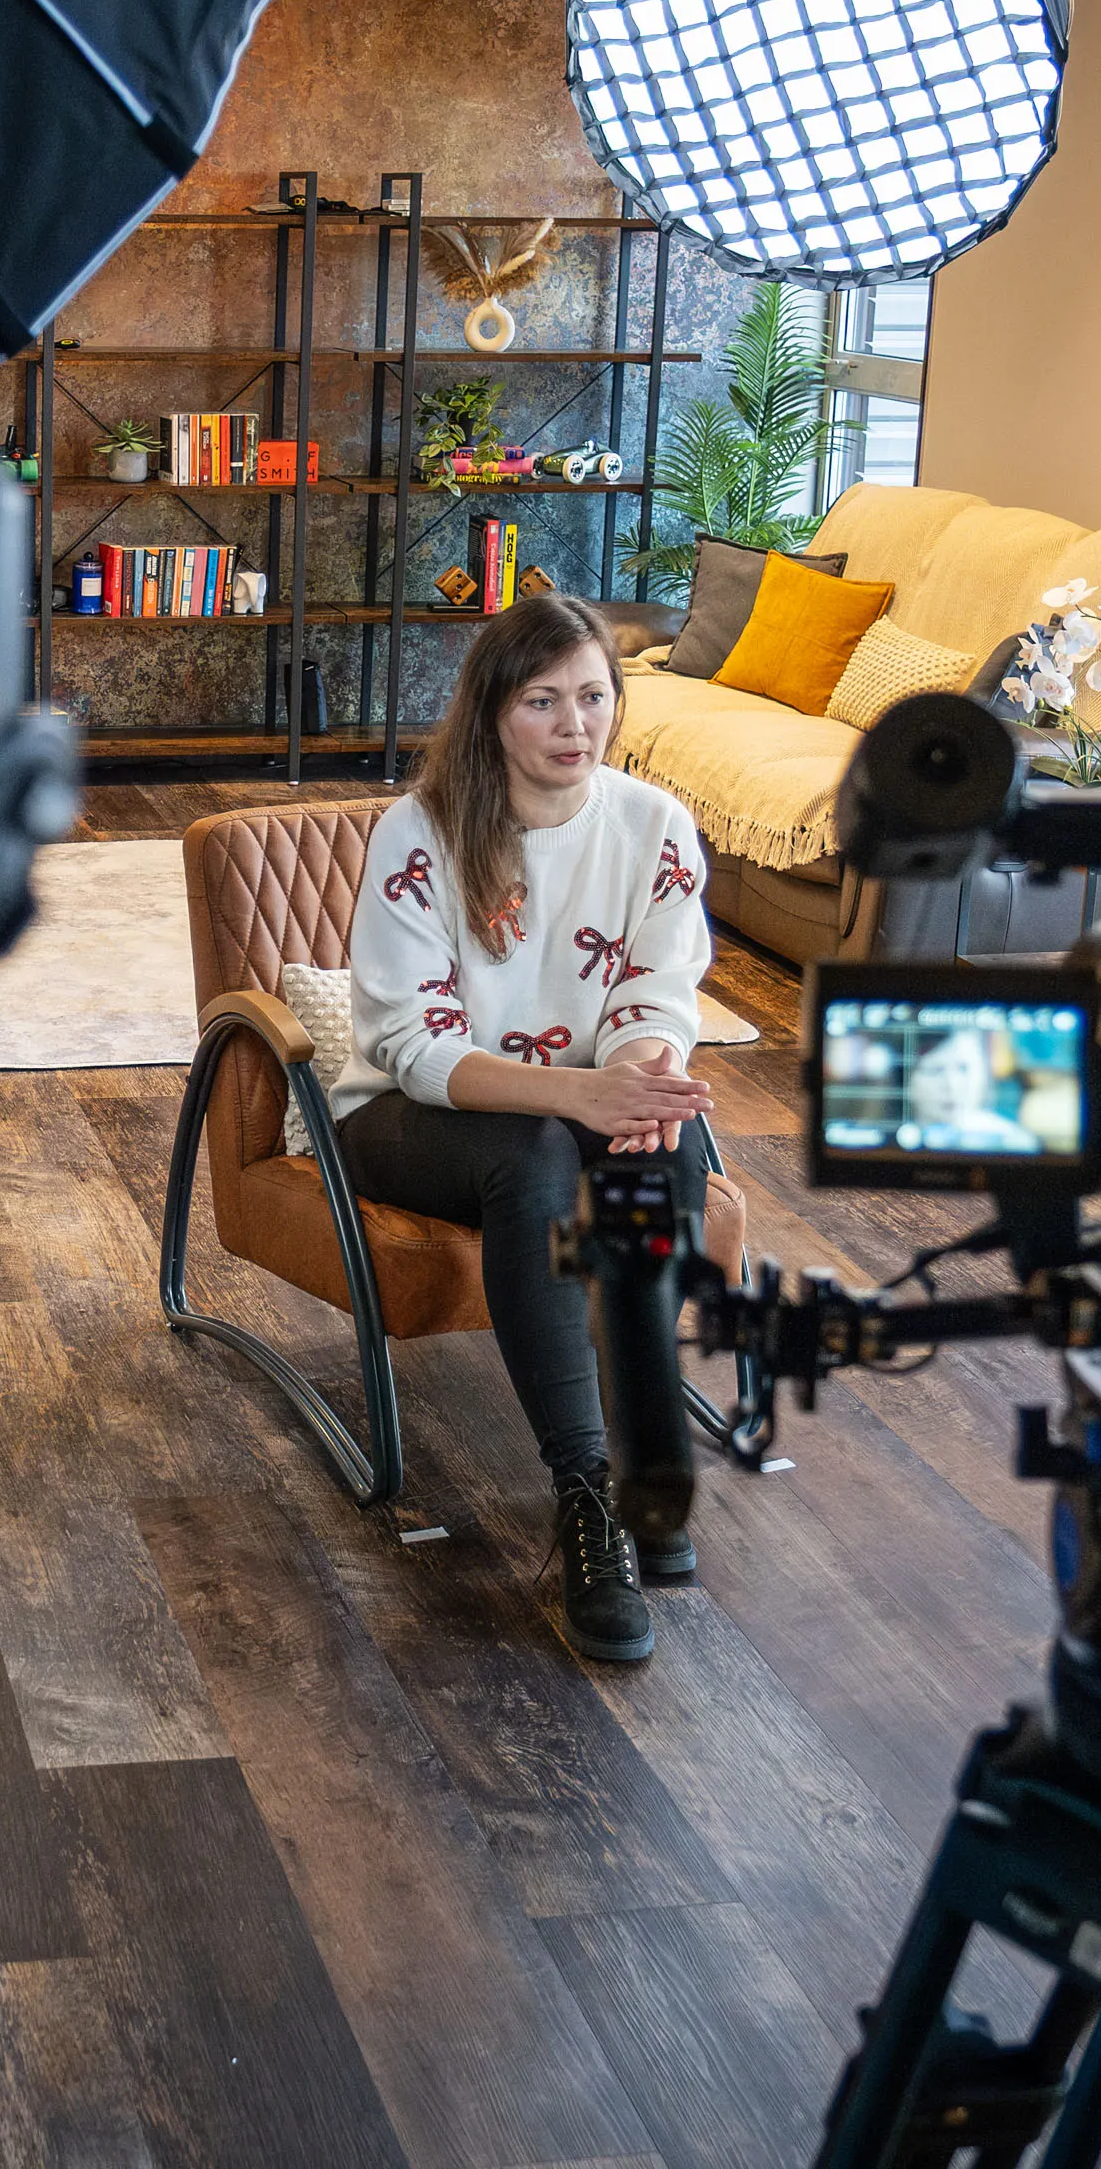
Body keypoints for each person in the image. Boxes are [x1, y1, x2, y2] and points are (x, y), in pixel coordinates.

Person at [333, 592, 716, 1662]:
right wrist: (581, 1096)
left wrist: (638, 1084)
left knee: (665, 1144)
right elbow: (412, 1045)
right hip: (411, 1116)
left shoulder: (653, 827)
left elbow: (658, 990)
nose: (573, 726)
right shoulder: (424, 829)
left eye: (593, 697)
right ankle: (584, 1497)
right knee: (539, 1150)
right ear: (494, 710)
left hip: (584, 1095)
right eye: (543, 700)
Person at [901, 1026, 1039, 1154]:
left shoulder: (1013, 1141)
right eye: (936, 1070)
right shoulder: (898, 1139)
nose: (952, 1085)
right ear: (908, 1079)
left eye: (963, 1069)